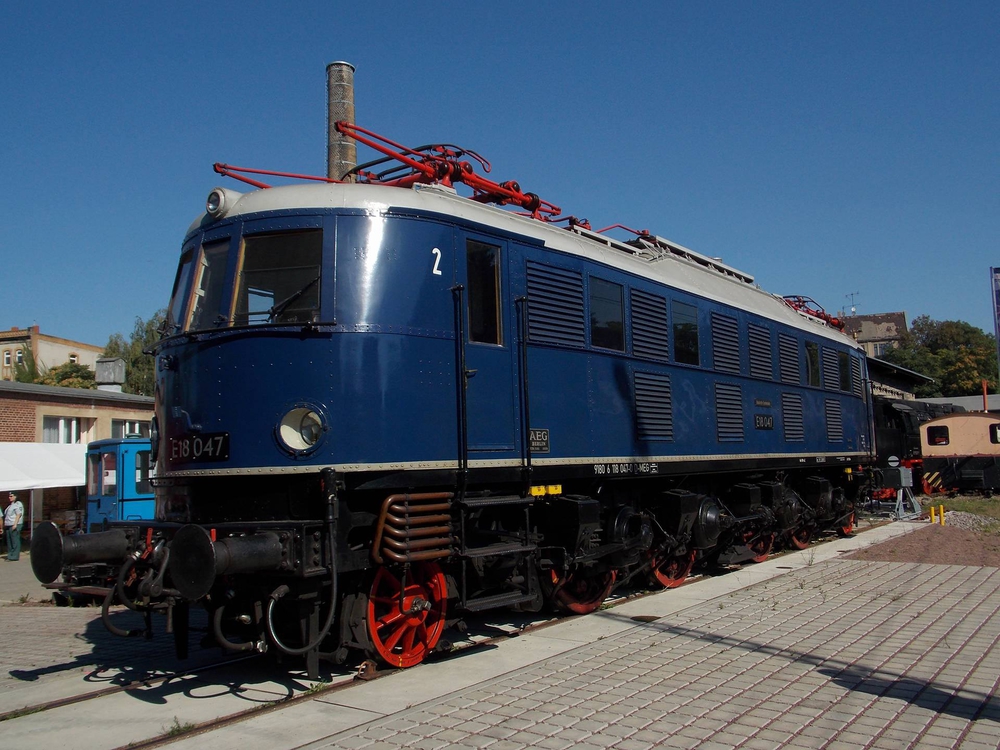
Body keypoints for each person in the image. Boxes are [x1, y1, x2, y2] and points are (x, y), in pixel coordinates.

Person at [4, 491, 24, 561]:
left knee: (14, 540)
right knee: (9, 541)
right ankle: (10, 555)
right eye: (9, 496)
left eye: (11, 496)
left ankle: (14, 556)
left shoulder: (18, 504)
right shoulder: (10, 505)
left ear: (15, 496)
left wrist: (15, 524)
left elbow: (18, 514)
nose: (9, 497)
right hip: (8, 524)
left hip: (14, 524)